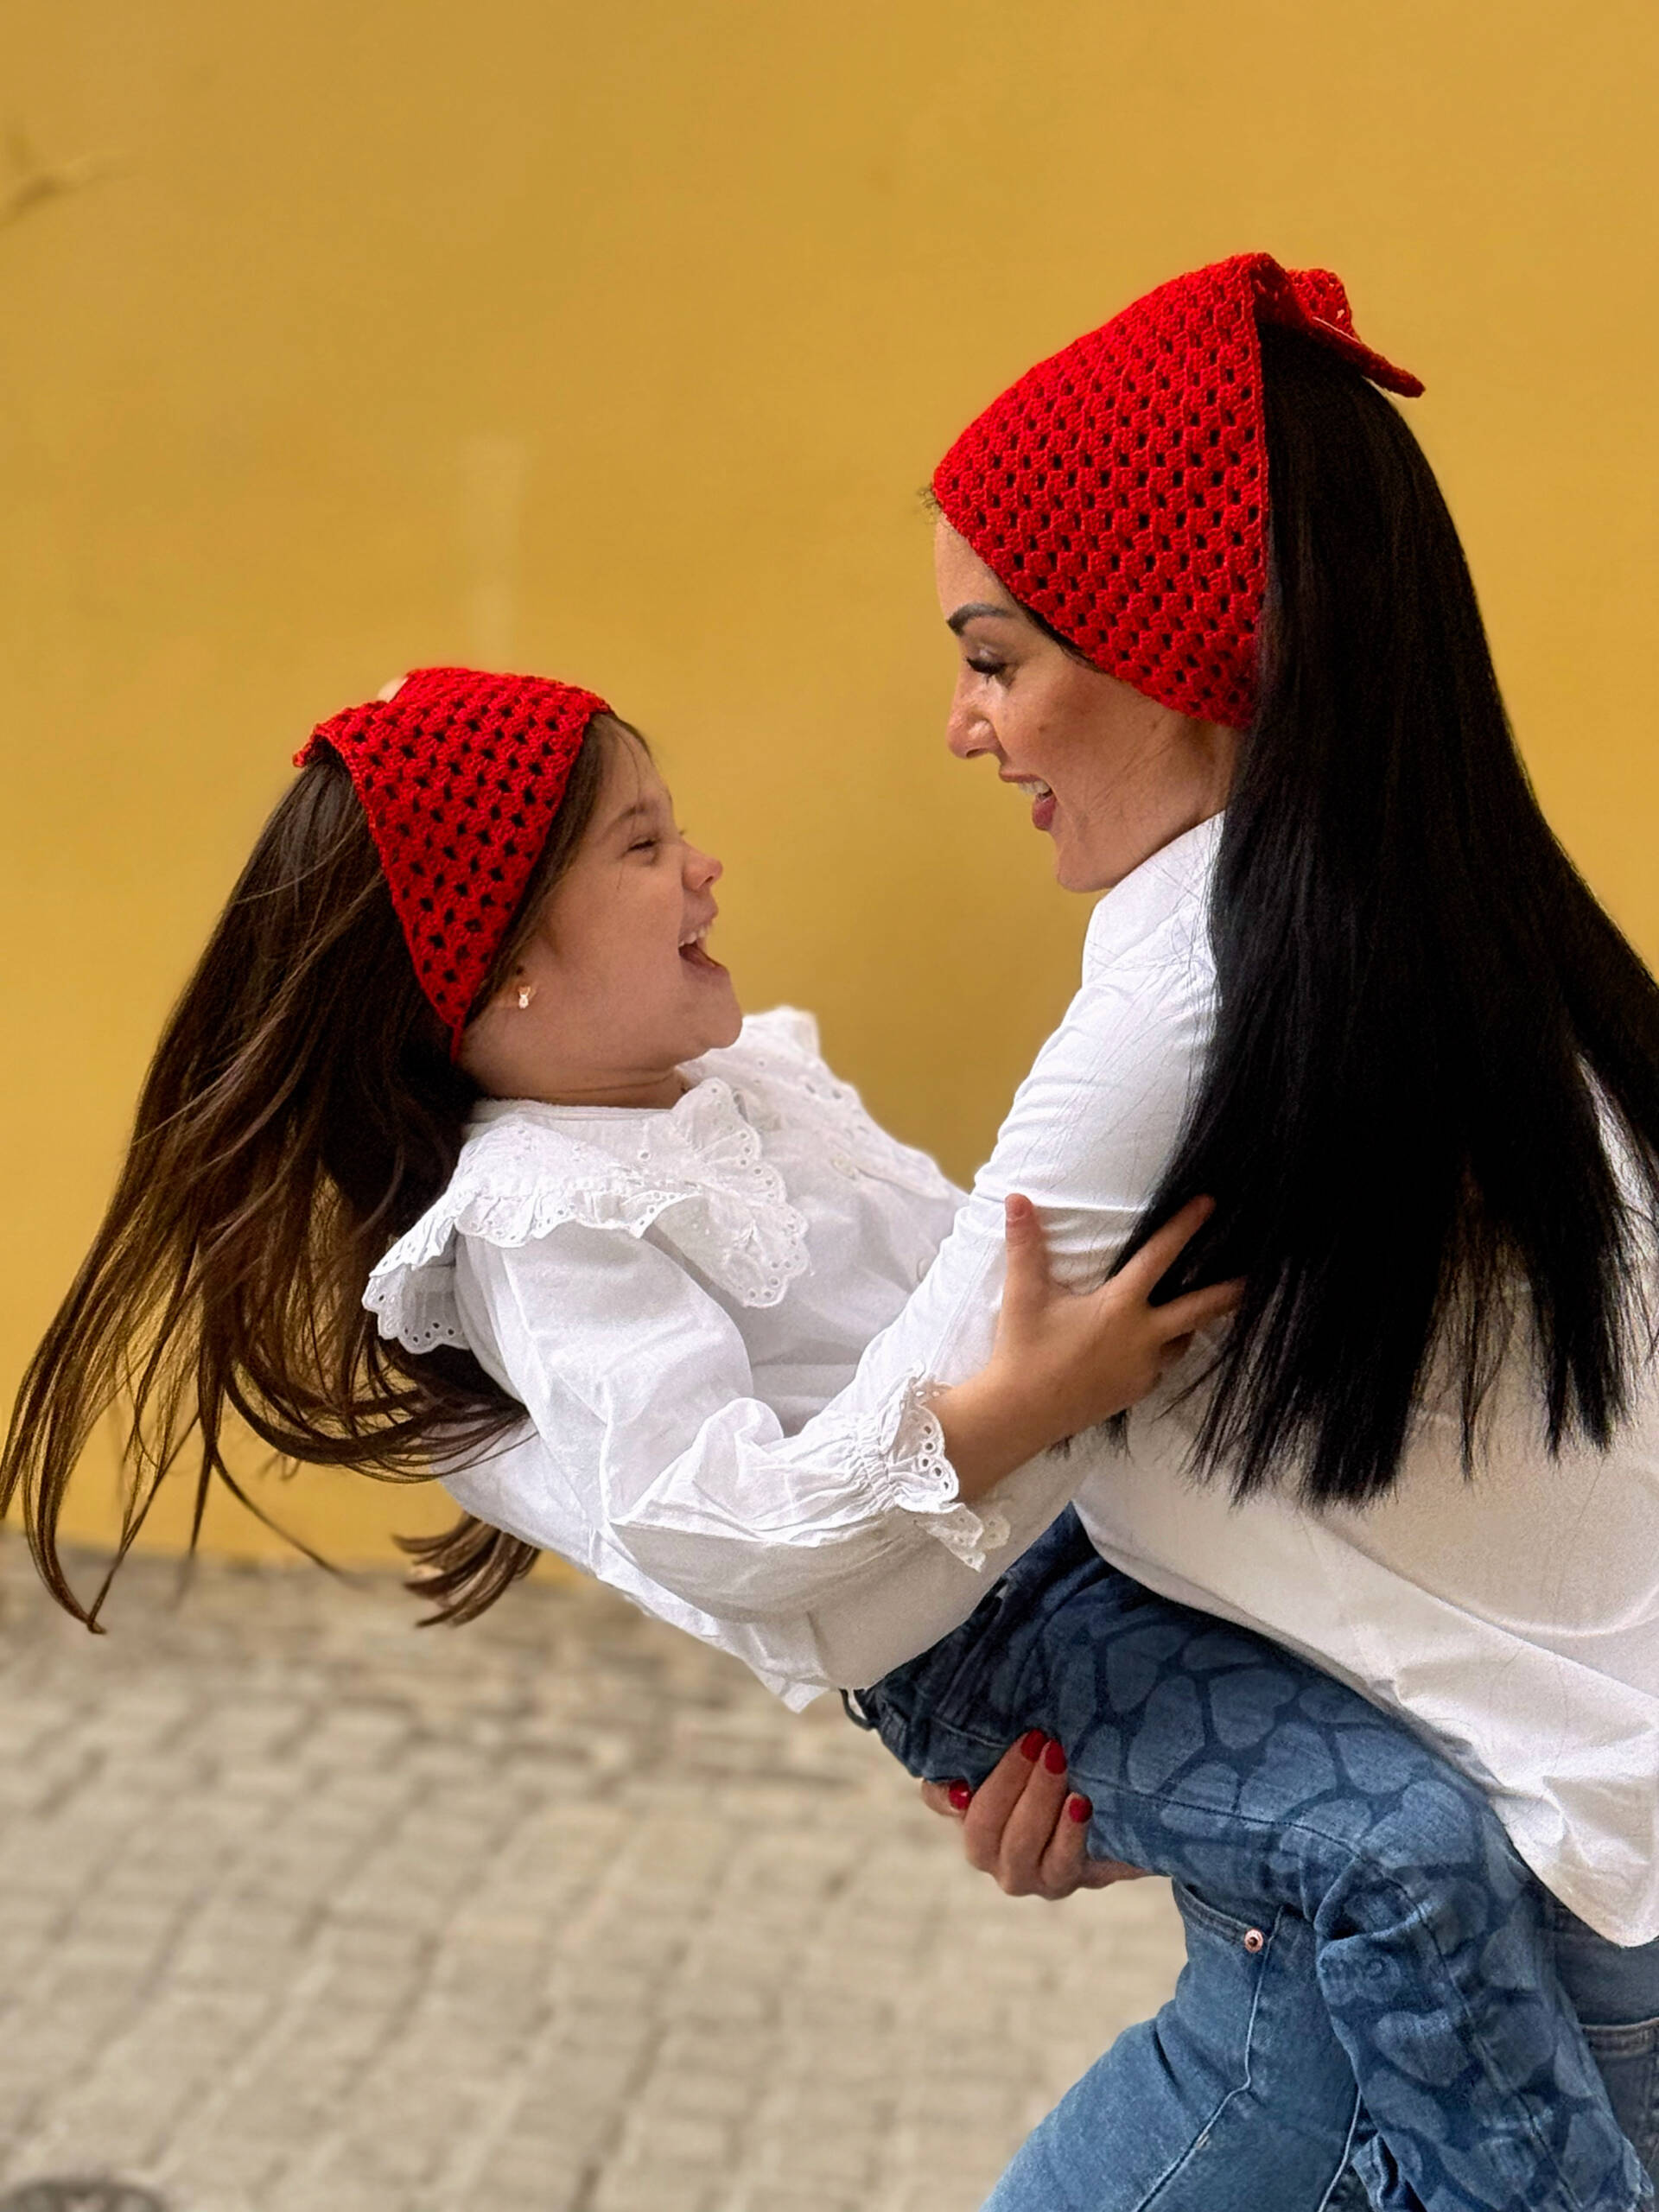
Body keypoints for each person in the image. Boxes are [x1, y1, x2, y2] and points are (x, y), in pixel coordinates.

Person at [3, 655, 1648, 2204]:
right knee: (1396, 1854)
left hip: (1079, 1538)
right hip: (1006, 1627)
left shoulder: (747, 1086)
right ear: (493, 963)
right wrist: (1019, 1409)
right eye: (643, 846)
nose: (706, 868)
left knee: (1418, 1806)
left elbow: (972, 1256)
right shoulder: (537, 1220)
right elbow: (713, 1519)